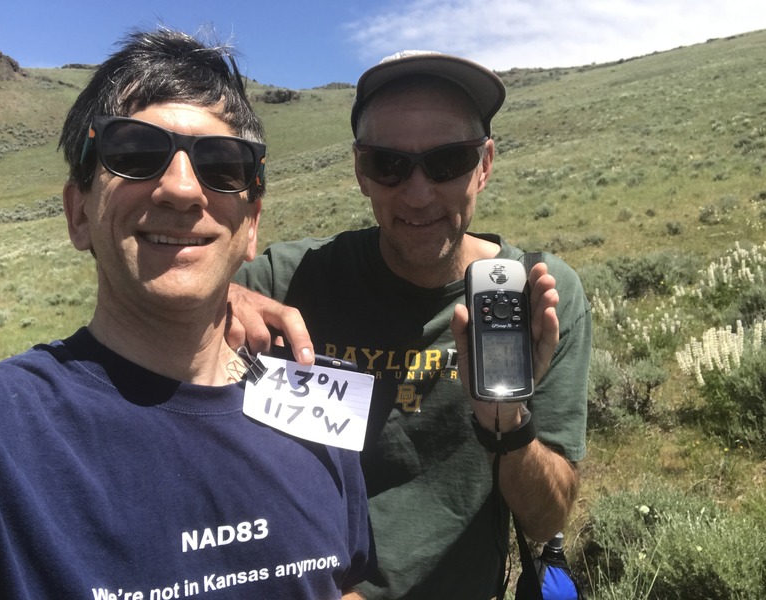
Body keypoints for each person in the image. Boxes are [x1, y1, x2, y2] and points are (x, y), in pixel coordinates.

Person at [0, 29, 373, 599]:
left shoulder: (318, 402)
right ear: (77, 213)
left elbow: (340, 581)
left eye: (222, 164)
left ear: (252, 224)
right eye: (134, 153)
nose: (182, 189)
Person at [230, 50, 592, 599]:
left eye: (448, 162)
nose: (419, 194)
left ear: (485, 165)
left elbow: (546, 521)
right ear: (360, 171)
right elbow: (144, 308)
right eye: (389, 165)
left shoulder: (538, 298)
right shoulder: (291, 281)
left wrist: (506, 422)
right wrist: (215, 301)